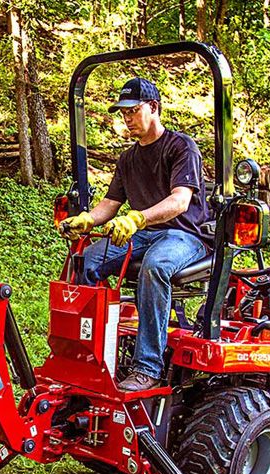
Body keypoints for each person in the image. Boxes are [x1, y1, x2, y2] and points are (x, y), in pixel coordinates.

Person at [61, 77, 210, 392]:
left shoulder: (181, 147)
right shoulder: (128, 158)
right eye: (123, 113)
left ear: (153, 108)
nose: (127, 118)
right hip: (144, 234)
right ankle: (89, 354)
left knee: (155, 267)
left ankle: (147, 367)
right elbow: (110, 204)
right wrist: (87, 220)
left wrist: (138, 218)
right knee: (86, 261)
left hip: (183, 236)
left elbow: (180, 201)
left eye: (133, 110)